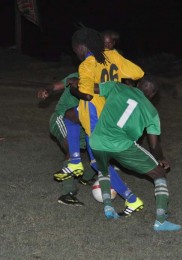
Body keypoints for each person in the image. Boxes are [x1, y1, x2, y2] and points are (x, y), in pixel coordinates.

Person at [55, 27, 145, 215]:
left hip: (95, 117)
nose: (76, 55)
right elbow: (138, 73)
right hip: (110, 113)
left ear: (81, 47)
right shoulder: (113, 57)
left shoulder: (87, 64)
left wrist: (74, 86)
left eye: (76, 51)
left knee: (98, 162)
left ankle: (131, 198)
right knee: (71, 117)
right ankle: (76, 162)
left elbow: (86, 95)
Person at [89, 75, 182, 231]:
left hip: (97, 141)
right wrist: (161, 158)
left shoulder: (118, 87)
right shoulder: (151, 111)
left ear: (138, 84)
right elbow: (154, 144)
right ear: (153, 95)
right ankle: (160, 221)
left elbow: (92, 88)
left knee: (104, 169)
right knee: (159, 174)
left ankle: (108, 207)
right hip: (121, 145)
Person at [39, 73, 143, 211]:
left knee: (100, 158)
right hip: (65, 118)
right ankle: (67, 193)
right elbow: (58, 85)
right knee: (71, 150)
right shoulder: (83, 75)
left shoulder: (112, 88)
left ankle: (90, 179)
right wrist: (47, 90)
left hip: (86, 124)